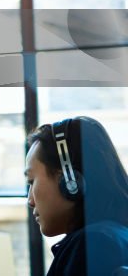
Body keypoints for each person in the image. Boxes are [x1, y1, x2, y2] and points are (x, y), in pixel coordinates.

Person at [26, 116, 128, 275]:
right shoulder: (113, 237)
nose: (30, 200)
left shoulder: (92, 245)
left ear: (69, 181)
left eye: (32, 181)